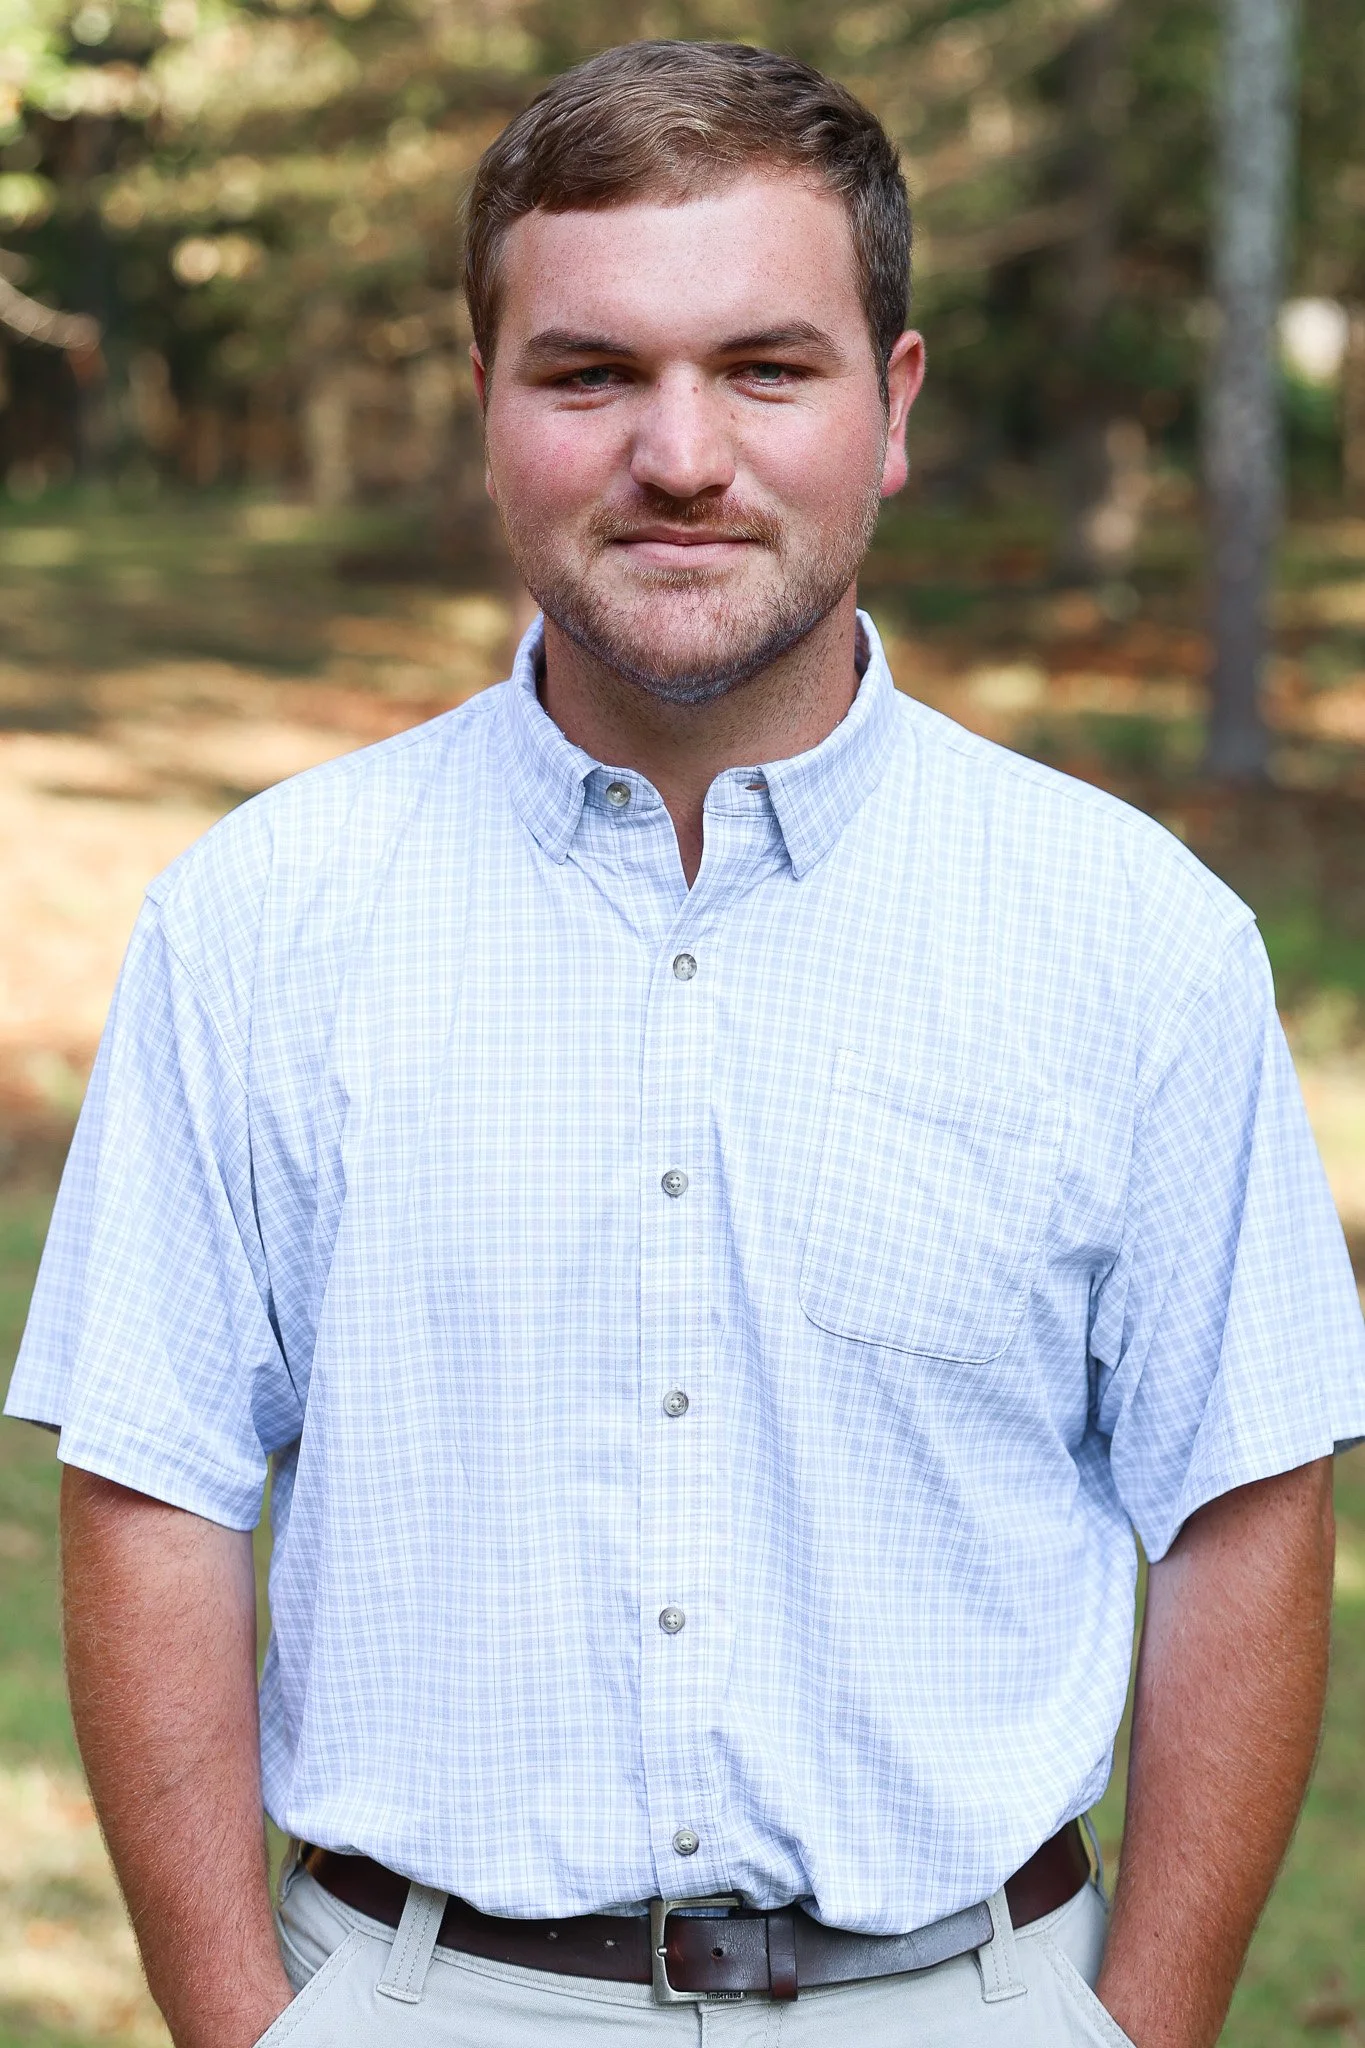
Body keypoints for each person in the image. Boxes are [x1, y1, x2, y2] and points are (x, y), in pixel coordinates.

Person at [7, 37, 1364, 2048]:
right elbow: (154, 1488)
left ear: (888, 408)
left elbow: (1246, 1505)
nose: (678, 451)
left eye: (764, 366)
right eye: (589, 373)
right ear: (486, 404)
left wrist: (1130, 2030)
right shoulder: (260, 924)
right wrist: (242, 2026)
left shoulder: (1133, 941)